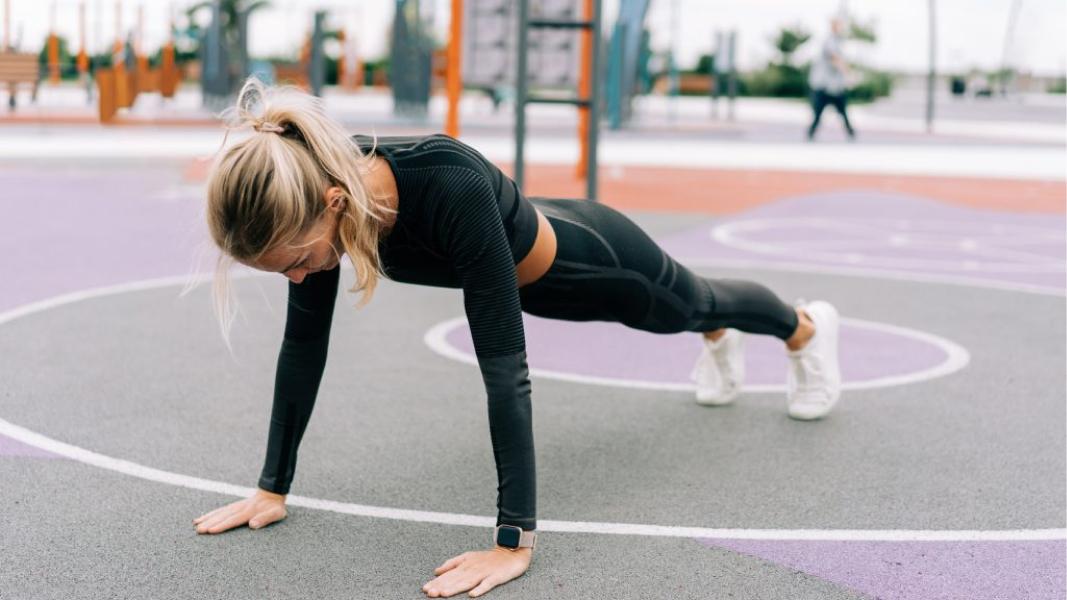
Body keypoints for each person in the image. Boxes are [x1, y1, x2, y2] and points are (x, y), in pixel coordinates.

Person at [191, 77, 842, 598]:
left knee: (692, 302)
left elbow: (504, 369)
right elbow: (303, 346)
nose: (300, 277)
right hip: (537, 271)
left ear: (334, 202)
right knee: (697, 312)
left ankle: (803, 328)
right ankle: (719, 335)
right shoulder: (311, 181)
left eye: (297, 261)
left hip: (599, 269)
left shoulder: (447, 182)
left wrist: (512, 542)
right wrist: (270, 489)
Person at [807, 15, 856, 141]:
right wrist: (848, 74)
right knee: (818, 113)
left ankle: (851, 133)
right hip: (824, 85)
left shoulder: (838, 41)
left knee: (843, 111)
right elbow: (835, 59)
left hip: (835, 86)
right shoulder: (830, 41)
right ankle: (810, 133)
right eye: (839, 25)